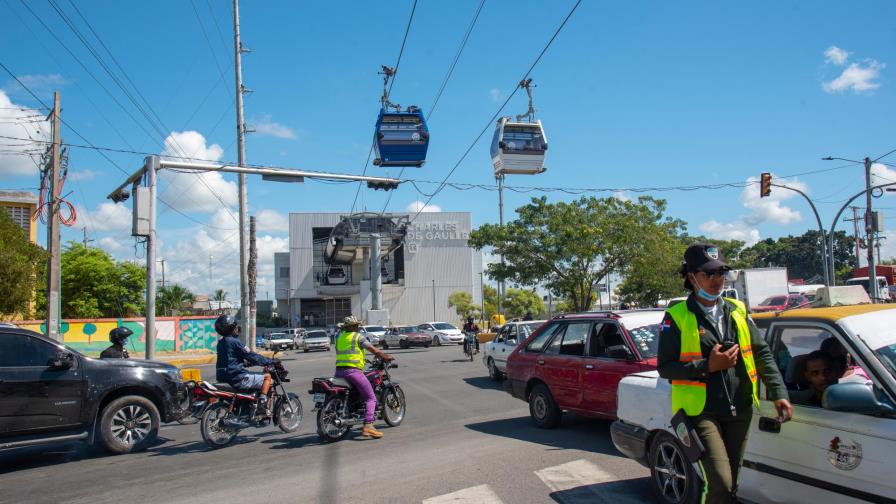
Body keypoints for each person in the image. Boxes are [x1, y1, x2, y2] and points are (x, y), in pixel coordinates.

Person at [658, 243, 792, 504]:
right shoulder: (676, 316)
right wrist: (708, 366)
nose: (717, 280)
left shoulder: (737, 310)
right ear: (691, 277)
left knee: (732, 484)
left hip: (739, 408)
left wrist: (778, 392)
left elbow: (761, 353)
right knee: (719, 482)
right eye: (709, 274)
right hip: (702, 412)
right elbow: (665, 368)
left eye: (721, 273)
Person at [335, 316, 394, 439]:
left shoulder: (339, 337)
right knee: (370, 397)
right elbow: (373, 350)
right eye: (356, 325)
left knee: (353, 394)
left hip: (338, 372)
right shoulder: (357, 337)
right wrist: (385, 356)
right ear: (352, 327)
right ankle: (368, 425)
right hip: (353, 372)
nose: (358, 327)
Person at [215, 314, 275, 414]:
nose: (237, 329)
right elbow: (252, 356)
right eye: (235, 327)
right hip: (236, 377)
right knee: (267, 377)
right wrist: (270, 361)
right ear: (232, 328)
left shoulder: (220, 342)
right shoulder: (235, 342)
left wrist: (245, 363)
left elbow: (231, 358)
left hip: (222, 377)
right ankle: (262, 404)